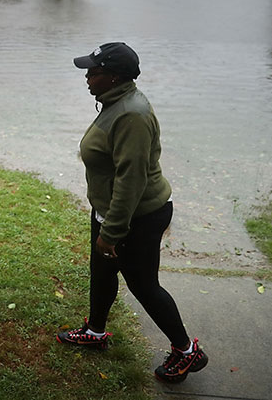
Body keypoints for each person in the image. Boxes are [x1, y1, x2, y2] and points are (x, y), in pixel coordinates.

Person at [55, 42, 208, 384]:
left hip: (136, 217)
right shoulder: (115, 102)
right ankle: (95, 332)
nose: (87, 77)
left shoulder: (132, 115)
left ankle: (187, 351)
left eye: (93, 71)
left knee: (143, 285)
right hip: (111, 212)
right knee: (103, 272)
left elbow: (131, 179)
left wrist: (112, 231)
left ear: (113, 77)